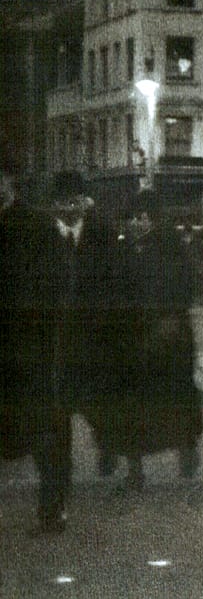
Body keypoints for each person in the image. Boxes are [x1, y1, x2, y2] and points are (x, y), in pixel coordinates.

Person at [0, 149, 74, 535]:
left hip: (31, 349)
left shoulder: (36, 227)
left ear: (9, 181)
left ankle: (52, 509)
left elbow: (61, 285)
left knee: (45, 432)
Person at [115, 189, 203, 488]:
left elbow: (186, 284)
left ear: (154, 218)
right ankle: (135, 471)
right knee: (133, 406)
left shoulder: (170, 245)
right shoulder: (127, 249)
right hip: (137, 339)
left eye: (142, 218)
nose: (137, 224)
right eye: (133, 219)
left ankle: (186, 447)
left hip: (169, 336)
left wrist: (170, 317)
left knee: (175, 398)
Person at [46, 171, 126, 480]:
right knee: (60, 406)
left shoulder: (102, 233)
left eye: (74, 202)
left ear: (85, 203)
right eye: (63, 203)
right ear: (55, 205)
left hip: (95, 333)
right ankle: (60, 467)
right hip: (59, 335)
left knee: (97, 401)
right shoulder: (47, 236)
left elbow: (115, 281)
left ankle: (106, 445)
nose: (69, 209)